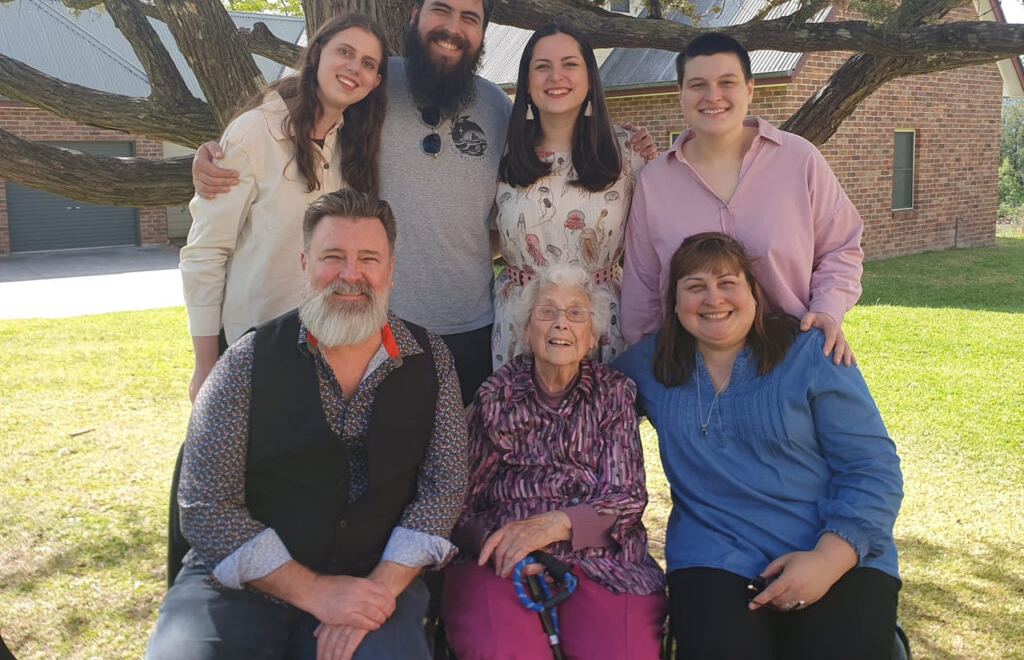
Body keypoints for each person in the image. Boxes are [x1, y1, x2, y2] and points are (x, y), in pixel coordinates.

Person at [192, 0, 656, 405]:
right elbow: (309, 99)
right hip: (375, 325)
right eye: (441, 10)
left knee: (475, 453)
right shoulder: (374, 82)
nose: (452, 28)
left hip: (475, 329)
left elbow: (512, 214)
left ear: (482, 33)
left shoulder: (499, 111)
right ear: (415, 14)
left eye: (469, 18)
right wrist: (218, 148)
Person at [147, 190, 468, 660]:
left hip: (375, 577)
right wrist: (316, 592)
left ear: (391, 270)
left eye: (368, 259)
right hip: (244, 585)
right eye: (332, 257)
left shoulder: (432, 360)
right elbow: (205, 505)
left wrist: (377, 589)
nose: (350, 275)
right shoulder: (246, 361)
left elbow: (444, 491)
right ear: (304, 264)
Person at [614, 232, 902, 660]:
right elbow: (584, 400)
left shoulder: (811, 353)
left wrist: (828, 559)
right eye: (695, 286)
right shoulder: (648, 366)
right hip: (714, 554)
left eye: (727, 283)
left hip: (832, 545)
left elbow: (873, 468)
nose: (714, 298)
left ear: (754, 292)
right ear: (674, 303)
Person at [444, 264, 667, 659]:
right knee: (503, 649)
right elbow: (459, 502)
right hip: (508, 556)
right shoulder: (496, 396)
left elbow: (626, 499)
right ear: (527, 329)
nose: (561, 323)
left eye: (576, 313)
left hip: (603, 561)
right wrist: (500, 543)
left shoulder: (614, 395)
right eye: (547, 311)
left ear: (594, 335)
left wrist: (551, 526)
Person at [179, 14, 389, 401]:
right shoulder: (254, 132)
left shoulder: (351, 148)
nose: (353, 68)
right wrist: (205, 364)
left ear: (376, 82)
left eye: (368, 63)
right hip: (254, 350)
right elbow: (205, 252)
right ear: (317, 53)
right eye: (345, 52)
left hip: (328, 353)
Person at [620, 32, 863, 365]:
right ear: (681, 94)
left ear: (749, 89)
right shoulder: (654, 182)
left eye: (727, 82)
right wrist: (650, 367)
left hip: (794, 359)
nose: (713, 96)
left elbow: (841, 248)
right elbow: (643, 289)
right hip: (692, 372)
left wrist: (828, 309)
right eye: (698, 85)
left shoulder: (799, 160)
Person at [492, 24, 647, 369]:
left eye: (569, 64)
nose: (555, 76)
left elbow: (652, 248)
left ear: (590, 77)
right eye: (542, 66)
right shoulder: (501, 156)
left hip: (598, 324)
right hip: (520, 324)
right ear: (526, 81)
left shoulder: (629, 154)